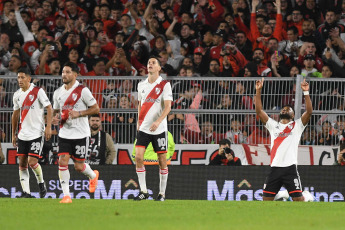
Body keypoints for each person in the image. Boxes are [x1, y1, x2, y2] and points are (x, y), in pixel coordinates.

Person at [255, 77, 314, 202]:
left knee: (299, 201)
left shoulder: (296, 126)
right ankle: (283, 195)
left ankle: (307, 196)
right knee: (266, 201)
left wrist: (306, 92)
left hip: (290, 168)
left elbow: (309, 112)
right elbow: (259, 111)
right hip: (275, 168)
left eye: (288, 109)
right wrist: (258, 91)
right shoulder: (273, 125)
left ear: (293, 115)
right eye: (284, 108)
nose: (285, 109)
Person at [52, 62, 100, 204]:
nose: (64, 75)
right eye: (63, 72)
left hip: (81, 134)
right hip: (64, 134)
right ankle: (66, 196)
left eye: (67, 72)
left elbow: (95, 108)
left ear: (75, 74)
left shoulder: (82, 90)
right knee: (62, 161)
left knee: (79, 166)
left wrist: (79, 113)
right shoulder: (58, 93)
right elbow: (56, 112)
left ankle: (93, 175)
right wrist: (55, 119)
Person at [134, 57, 173, 201]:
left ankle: (162, 193)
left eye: (153, 63)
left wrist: (158, 121)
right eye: (148, 62)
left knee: (162, 160)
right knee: (138, 157)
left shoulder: (164, 85)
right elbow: (140, 104)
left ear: (159, 68)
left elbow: (168, 107)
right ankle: (143, 191)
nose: (150, 64)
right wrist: (138, 121)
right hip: (144, 128)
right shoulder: (141, 85)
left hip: (159, 129)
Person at [11, 68, 53, 198]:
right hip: (23, 134)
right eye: (18, 78)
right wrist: (13, 133)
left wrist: (48, 126)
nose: (20, 80)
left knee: (32, 161)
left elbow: (49, 108)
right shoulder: (17, 94)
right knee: (22, 163)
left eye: (22, 77)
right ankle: (26, 193)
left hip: (36, 133)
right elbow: (15, 115)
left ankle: (41, 183)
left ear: (29, 79)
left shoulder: (38, 91)